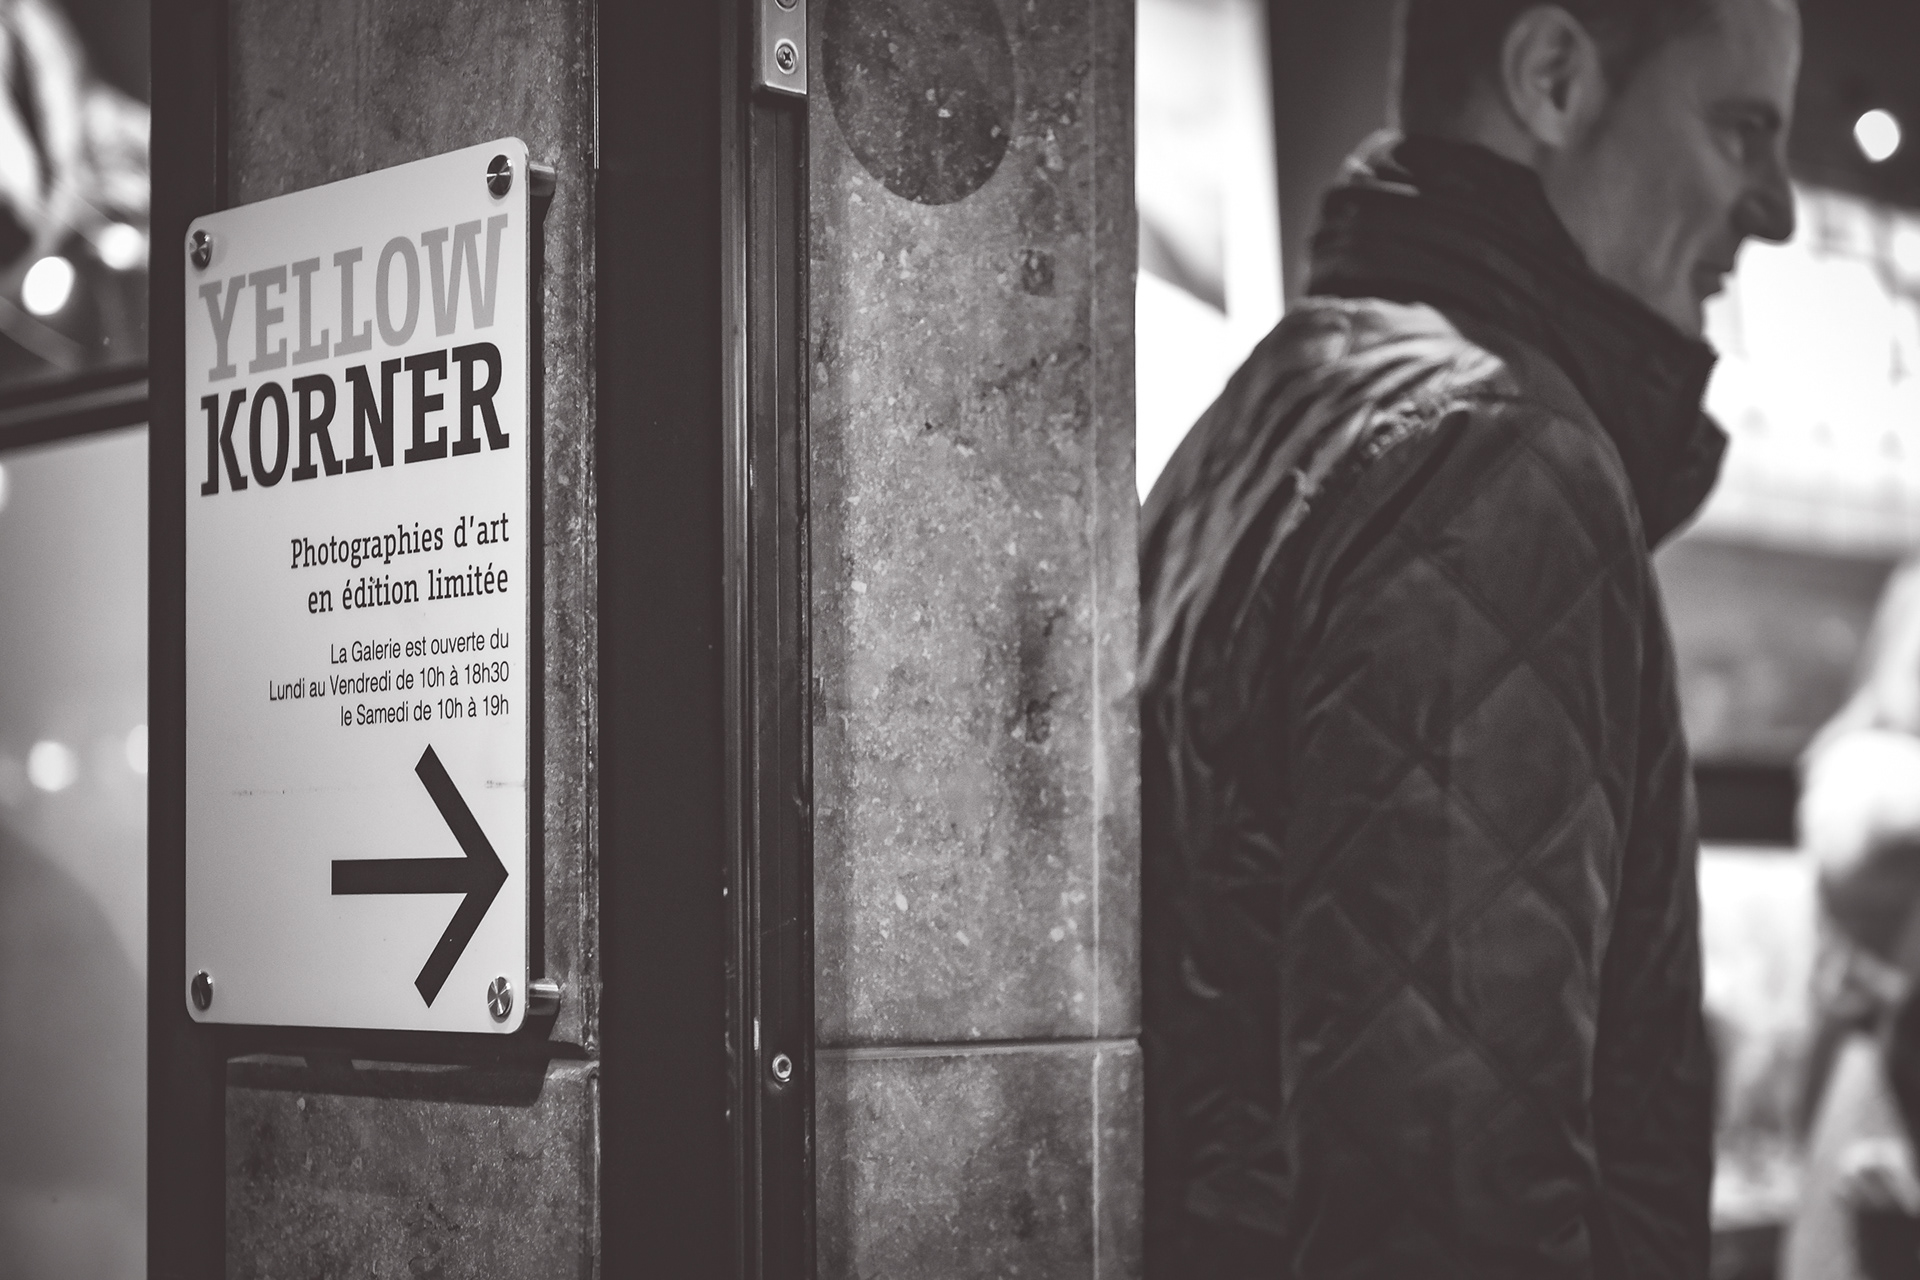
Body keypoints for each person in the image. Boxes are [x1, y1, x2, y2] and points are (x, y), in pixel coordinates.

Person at [1139, 1, 1800, 1275]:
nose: (1774, 209)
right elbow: (1447, 1211)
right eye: (1738, 129)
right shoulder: (1494, 456)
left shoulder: (1279, 408)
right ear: (1552, 77)